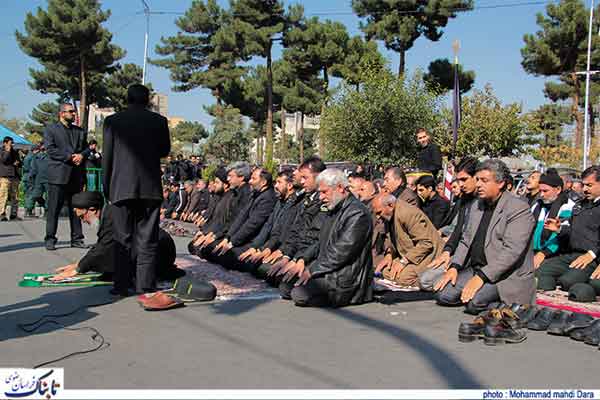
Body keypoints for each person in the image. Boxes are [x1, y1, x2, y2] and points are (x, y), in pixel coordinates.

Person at [434, 159, 536, 313]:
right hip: (478, 268)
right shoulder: (477, 205)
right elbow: (465, 240)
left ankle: (511, 306)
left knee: (475, 303)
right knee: (443, 295)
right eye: (477, 180)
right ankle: (480, 294)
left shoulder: (518, 209)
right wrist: (454, 267)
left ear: (500, 183)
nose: (479, 184)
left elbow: (511, 252)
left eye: (484, 180)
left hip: (506, 274)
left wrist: (481, 277)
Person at [102, 84, 171, 295]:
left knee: (122, 238)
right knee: (147, 239)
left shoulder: (112, 121)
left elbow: (108, 156)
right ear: (148, 100)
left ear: (128, 98)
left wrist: (107, 187)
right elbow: (164, 150)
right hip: (150, 188)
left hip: (121, 186)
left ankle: (121, 284)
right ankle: (145, 284)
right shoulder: (159, 121)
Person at [278, 168, 374, 307]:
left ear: (340, 188)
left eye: (324, 192)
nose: (321, 197)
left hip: (345, 276)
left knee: (299, 294)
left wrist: (312, 270)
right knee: (286, 285)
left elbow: (340, 252)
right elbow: (319, 242)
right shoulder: (334, 208)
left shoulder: (358, 213)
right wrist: (302, 260)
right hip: (327, 268)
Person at [52, 192, 184, 283]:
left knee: (113, 264)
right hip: (152, 247)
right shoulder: (108, 213)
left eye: (82, 217)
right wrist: (78, 264)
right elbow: (102, 246)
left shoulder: (111, 216)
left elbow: (103, 249)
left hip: (160, 250)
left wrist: (78, 269)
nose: (83, 221)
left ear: (92, 209)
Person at [536, 166, 600, 294]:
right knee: (540, 272)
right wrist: (559, 229)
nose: (585, 189)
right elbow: (572, 229)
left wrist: (592, 254)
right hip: (571, 255)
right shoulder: (580, 205)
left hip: (592, 257)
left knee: (570, 283)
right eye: (583, 185)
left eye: (589, 185)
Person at [371, 193, 444, 288]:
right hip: (407, 254)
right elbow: (390, 238)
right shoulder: (390, 215)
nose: (378, 217)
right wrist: (389, 254)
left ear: (390, 205)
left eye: (379, 212)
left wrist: (403, 262)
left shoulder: (408, 213)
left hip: (427, 255)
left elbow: (425, 243)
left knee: (402, 278)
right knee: (385, 270)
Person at [236, 169, 300, 275]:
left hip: (282, 248)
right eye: (276, 182)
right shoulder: (280, 201)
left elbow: (283, 233)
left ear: (289, 186)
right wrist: (256, 247)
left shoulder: (294, 204)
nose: (275, 186)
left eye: (279, 182)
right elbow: (268, 226)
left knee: (263, 268)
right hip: (269, 245)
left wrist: (269, 249)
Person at [209, 167, 277, 268]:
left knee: (224, 256)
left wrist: (233, 242)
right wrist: (228, 238)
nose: (249, 181)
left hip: (253, 241)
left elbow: (252, 224)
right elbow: (241, 217)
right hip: (241, 239)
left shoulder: (268, 198)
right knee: (211, 249)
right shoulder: (256, 194)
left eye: (253, 179)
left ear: (263, 182)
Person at [43, 104, 87, 250]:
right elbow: (50, 150)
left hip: (76, 176)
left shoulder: (79, 131)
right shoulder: (51, 129)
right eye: (71, 112)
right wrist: (69, 157)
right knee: (54, 209)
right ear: (61, 113)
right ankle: (50, 239)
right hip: (58, 175)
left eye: (74, 112)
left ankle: (77, 239)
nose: (74, 114)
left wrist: (82, 155)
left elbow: (86, 149)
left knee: (76, 209)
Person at [426, 157, 479, 276]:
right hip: (457, 251)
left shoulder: (484, 202)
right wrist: (447, 251)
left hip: (472, 259)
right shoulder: (464, 200)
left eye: (464, 179)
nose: (461, 185)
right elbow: (458, 229)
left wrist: (455, 264)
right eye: (458, 180)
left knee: (430, 282)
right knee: (425, 277)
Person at [530, 170, 575, 270]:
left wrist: (544, 253)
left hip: (555, 254)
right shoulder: (538, 205)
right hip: (533, 252)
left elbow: (563, 235)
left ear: (558, 189)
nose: (541, 195)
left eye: (545, 191)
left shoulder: (568, 207)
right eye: (540, 191)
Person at [26, 144, 49, 217]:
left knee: (49, 196)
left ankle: (47, 211)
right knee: (36, 195)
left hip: (49, 179)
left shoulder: (51, 156)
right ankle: (44, 206)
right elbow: (33, 168)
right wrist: (30, 176)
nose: (43, 149)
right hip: (38, 179)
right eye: (42, 148)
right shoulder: (36, 157)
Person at [22, 145, 39, 217]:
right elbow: (33, 168)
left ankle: (26, 210)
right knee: (31, 194)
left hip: (25, 177)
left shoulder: (27, 156)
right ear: (35, 150)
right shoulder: (33, 157)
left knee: (26, 194)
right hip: (31, 178)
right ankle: (29, 211)